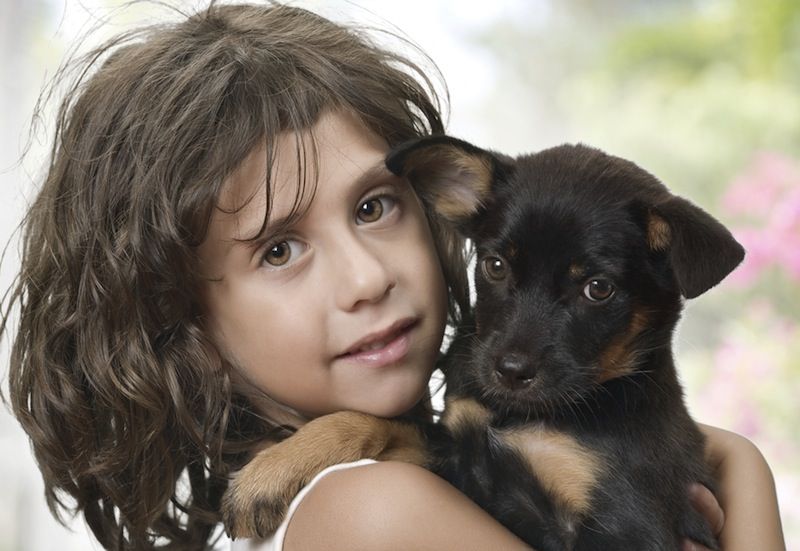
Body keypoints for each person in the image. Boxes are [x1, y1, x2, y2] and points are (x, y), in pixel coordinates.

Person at [0, 2, 784, 550]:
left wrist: (731, 459)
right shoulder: (369, 509)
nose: (366, 277)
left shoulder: (357, 479)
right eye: (279, 249)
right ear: (182, 324)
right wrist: (743, 478)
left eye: (374, 206)